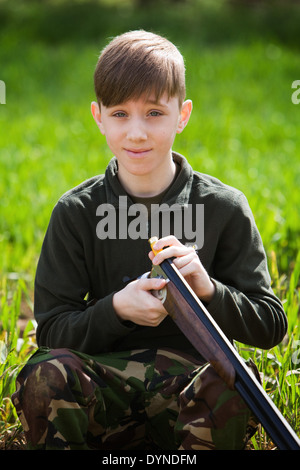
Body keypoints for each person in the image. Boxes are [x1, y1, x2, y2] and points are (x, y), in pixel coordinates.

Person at [12, 30, 287, 451]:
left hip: (193, 389)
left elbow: (270, 324)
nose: (136, 133)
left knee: (234, 378)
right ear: (98, 116)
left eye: (154, 113)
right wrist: (117, 309)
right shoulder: (76, 212)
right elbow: (51, 330)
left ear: (183, 114)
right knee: (45, 373)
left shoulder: (224, 208)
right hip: (103, 387)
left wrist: (208, 290)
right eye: (120, 114)